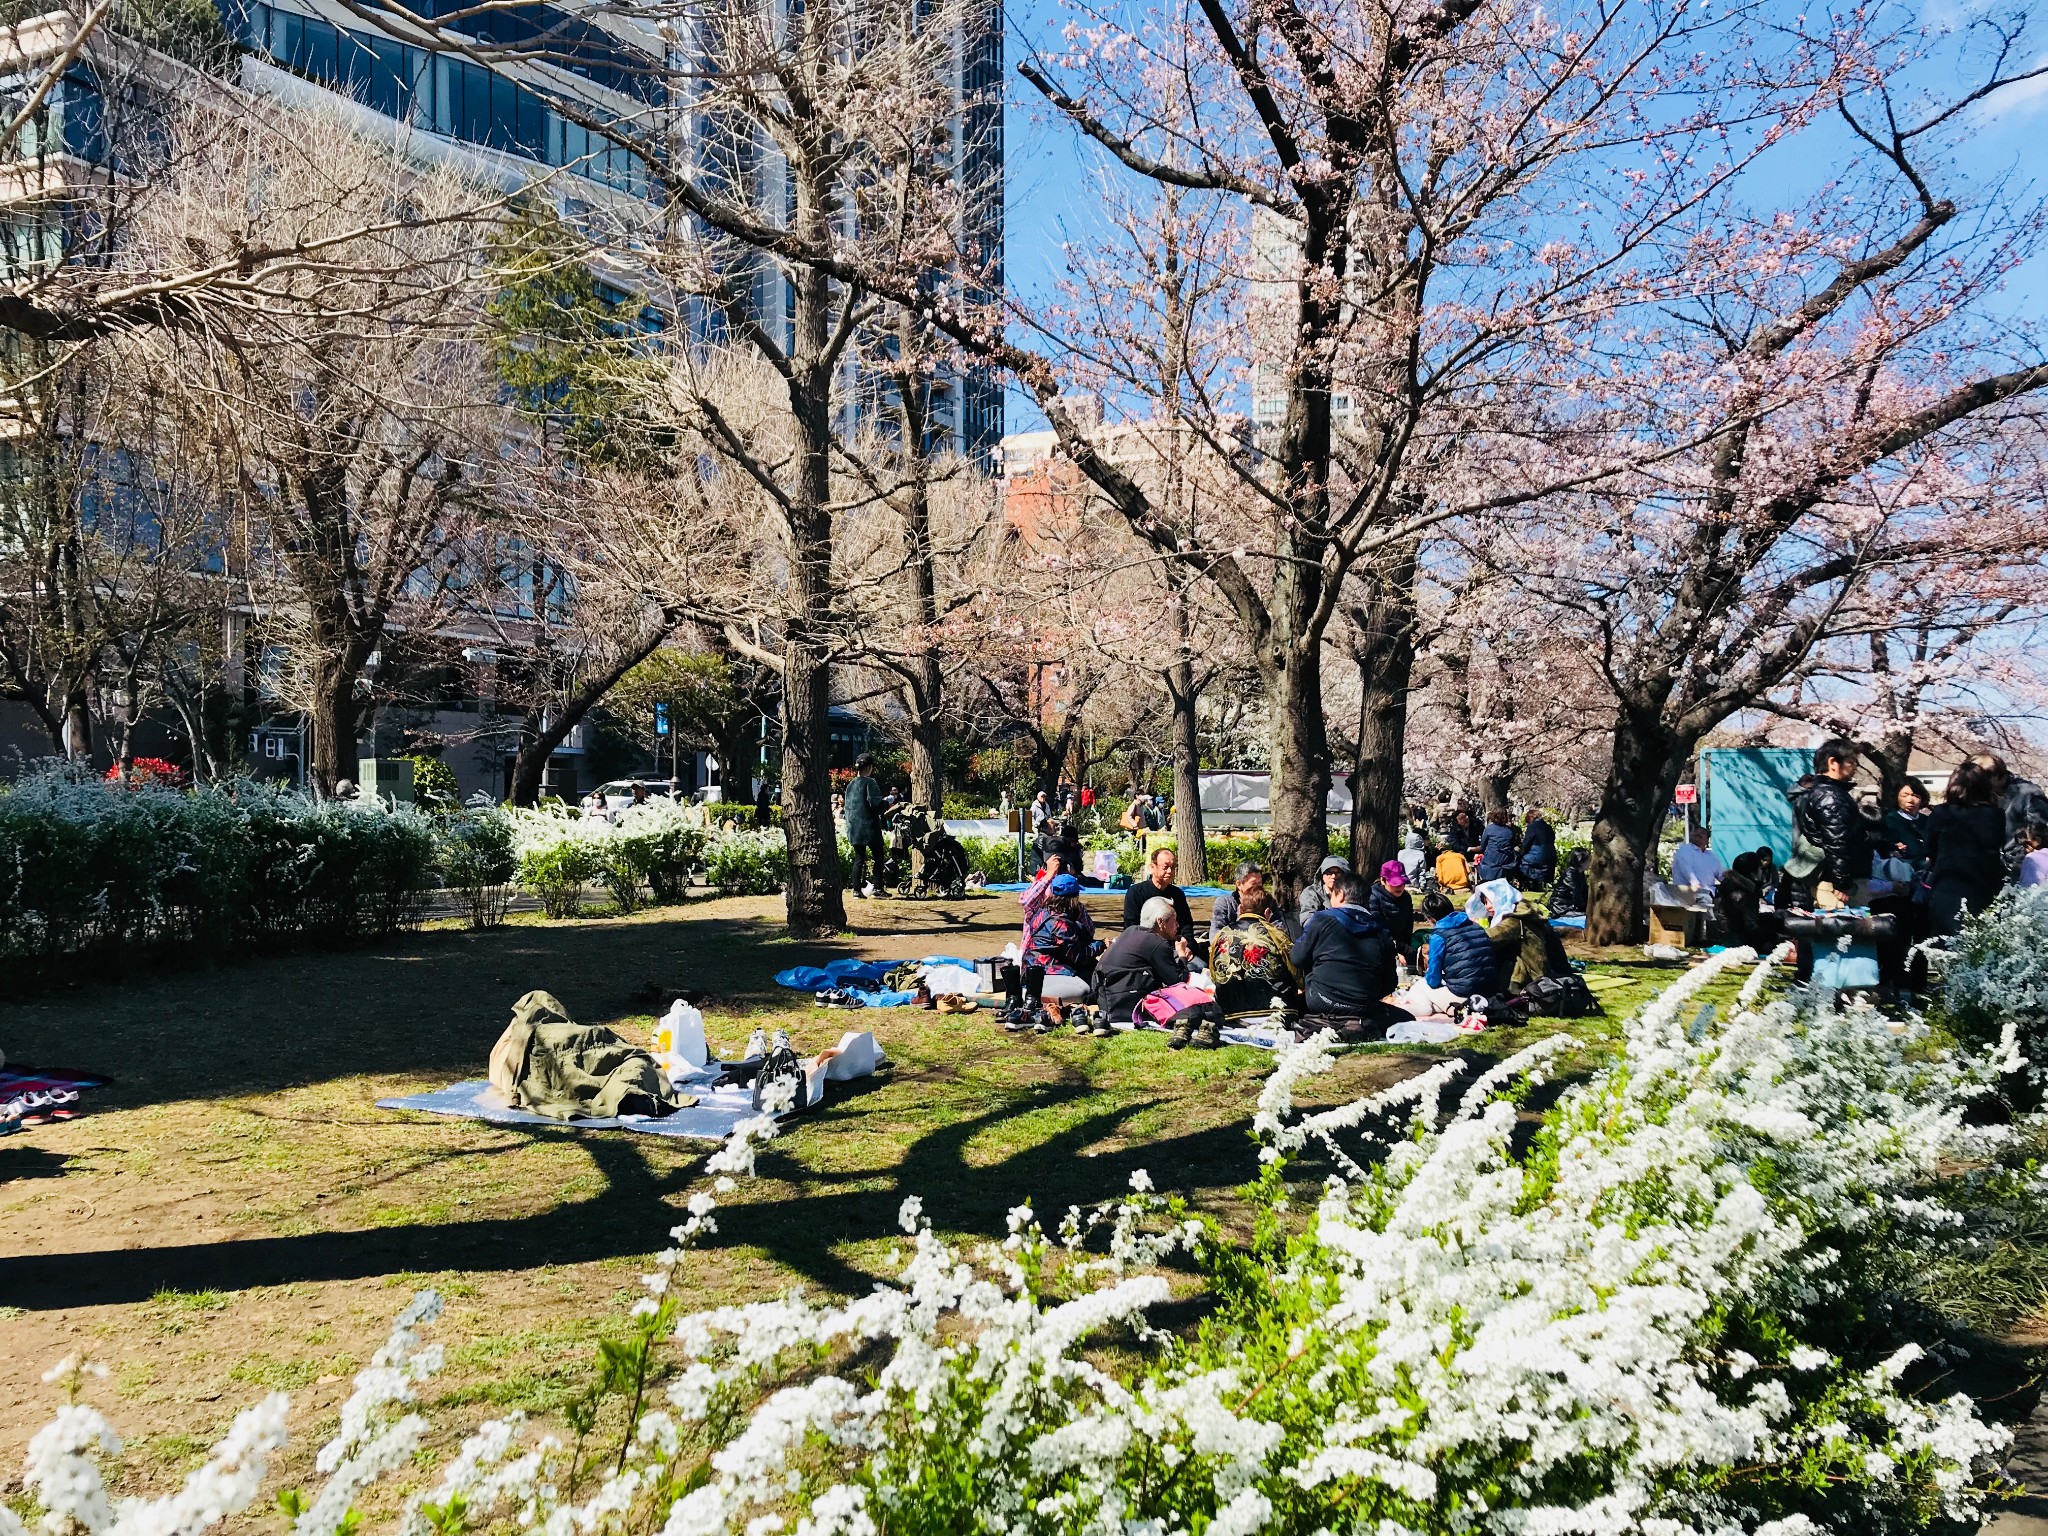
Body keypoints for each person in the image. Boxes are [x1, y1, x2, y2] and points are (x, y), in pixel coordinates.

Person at [1291, 871, 1410, 1033]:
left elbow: (1297, 958)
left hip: (1321, 1000)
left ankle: (1327, 1020)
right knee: (1407, 1019)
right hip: (1365, 1006)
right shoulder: (1382, 932)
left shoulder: (1322, 919)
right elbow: (1390, 983)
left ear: (1339, 895)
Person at [1925, 759, 2008, 936]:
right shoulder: (1995, 815)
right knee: (1981, 942)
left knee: (1943, 945)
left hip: (1948, 883)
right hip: (1985, 884)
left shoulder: (1941, 813)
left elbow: (1929, 848)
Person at [1791, 739, 1868, 905]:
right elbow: (1837, 841)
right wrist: (1843, 883)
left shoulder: (1819, 792)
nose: (1855, 767)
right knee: (1846, 926)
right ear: (1833, 762)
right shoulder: (1831, 796)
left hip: (1828, 877)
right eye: (1851, 762)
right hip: (1833, 883)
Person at [1096, 895, 1192, 1025]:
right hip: (1124, 1004)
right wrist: (1182, 954)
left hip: (1105, 997)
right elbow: (1178, 981)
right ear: (1160, 922)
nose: (1178, 925)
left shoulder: (1131, 931)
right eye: (1174, 920)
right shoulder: (1156, 943)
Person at [1019, 874, 1097, 1028]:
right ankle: (1039, 1000)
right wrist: (1101, 945)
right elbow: (1079, 956)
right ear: (1074, 897)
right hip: (1051, 972)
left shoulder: (1040, 913)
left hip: (1031, 972)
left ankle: (1031, 996)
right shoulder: (1062, 922)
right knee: (1085, 989)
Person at [1408, 886, 1497, 1012]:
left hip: (1464, 993)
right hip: (1490, 990)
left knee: (1419, 987)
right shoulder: (1475, 925)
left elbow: (1433, 978)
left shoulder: (1439, 936)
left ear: (1431, 918)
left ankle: (1425, 1010)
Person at [1970, 753, 2048, 880]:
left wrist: (2020, 856)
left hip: (2021, 868)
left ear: (1995, 776)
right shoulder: (1982, 795)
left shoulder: (2028, 793)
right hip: (1988, 867)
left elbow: (2040, 831)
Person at [1123, 845, 1196, 939]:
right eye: (1165, 867)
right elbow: (1131, 927)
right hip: (1145, 944)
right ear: (1153, 867)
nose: (1170, 871)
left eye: (1173, 867)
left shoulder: (1177, 894)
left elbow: (1186, 925)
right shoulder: (1136, 892)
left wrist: (1188, 946)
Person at [843, 756, 886, 896]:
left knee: (859, 858)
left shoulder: (850, 785)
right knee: (879, 856)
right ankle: (877, 888)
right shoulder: (870, 782)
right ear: (868, 767)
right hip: (869, 827)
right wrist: (886, 804)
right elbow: (875, 804)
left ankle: (856, 890)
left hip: (854, 828)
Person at [1713, 851, 1773, 951]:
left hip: (1724, 936)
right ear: (1753, 872)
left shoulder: (1727, 884)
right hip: (1740, 941)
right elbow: (1751, 925)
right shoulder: (1746, 892)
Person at [1207, 861, 1269, 944]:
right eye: (1253, 883)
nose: (1257, 888)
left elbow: (1279, 929)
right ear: (1239, 884)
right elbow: (1215, 935)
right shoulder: (1225, 903)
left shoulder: (1268, 901)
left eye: (1260, 883)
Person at [1882, 778, 1932, 876]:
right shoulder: (1889, 820)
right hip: (1902, 873)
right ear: (1897, 797)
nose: (1910, 800)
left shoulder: (1929, 821)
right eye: (1905, 795)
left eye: (1915, 796)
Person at [1671, 825, 1726, 900]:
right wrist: (1696, 885)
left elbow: (1722, 875)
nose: (1698, 835)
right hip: (1688, 893)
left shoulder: (1711, 856)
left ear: (1707, 839)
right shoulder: (1685, 850)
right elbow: (1687, 871)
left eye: (1702, 834)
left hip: (1709, 893)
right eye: (1696, 833)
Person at [1368, 859, 1415, 942]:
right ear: (1383, 880)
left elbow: (1408, 926)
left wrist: (1407, 947)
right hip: (1381, 943)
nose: (1399, 887)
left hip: (1401, 943)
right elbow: (1377, 927)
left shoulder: (1406, 897)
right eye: (1395, 883)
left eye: (1402, 883)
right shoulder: (1373, 896)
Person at [1298, 854, 1351, 926]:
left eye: (1337, 872)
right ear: (1322, 874)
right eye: (1329, 872)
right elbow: (1307, 920)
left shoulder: (1351, 893)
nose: (1333, 876)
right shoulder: (1311, 893)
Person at [1474, 809, 1519, 883]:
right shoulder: (1510, 831)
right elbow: (1513, 845)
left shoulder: (1488, 829)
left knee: (1479, 860)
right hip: (1506, 863)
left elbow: (1482, 847)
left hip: (1491, 863)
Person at [1519, 810, 1558, 889]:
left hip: (1539, 854)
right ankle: (1540, 882)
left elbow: (1527, 842)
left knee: (1520, 862)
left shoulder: (1532, 827)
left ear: (1530, 818)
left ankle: (1531, 882)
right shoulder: (1548, 827)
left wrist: (1520, 852)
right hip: (1551, 855)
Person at [1548, 848, 1589, 916]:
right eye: (1589, 860)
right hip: (1561, 907)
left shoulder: (1580, 873)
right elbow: (1576, 894)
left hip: (1570, 906)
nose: (1591, 863)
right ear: (1581, 862)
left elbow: (1584, 892)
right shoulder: (1569, 874)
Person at [2020, 823, 2048, 889]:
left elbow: (2027, 888)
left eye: (2026, 844)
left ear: (2037, 841)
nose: (2024, 849)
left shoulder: (2032, 858)